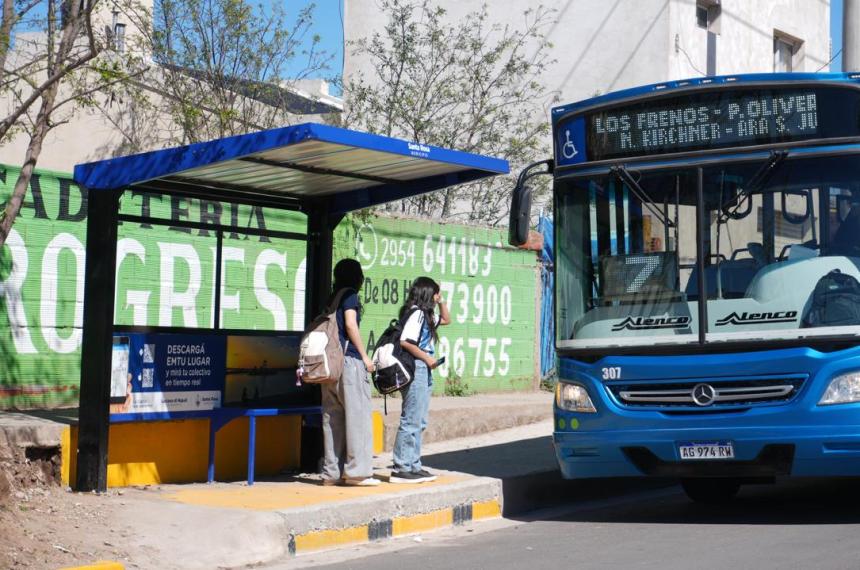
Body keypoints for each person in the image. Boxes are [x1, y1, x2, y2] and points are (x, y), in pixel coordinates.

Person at [320, 258, 379, 487]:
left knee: (332, 419)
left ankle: (331, 473)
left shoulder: (331, 298)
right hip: (349, 362)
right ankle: (358, 473)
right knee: (358, 417)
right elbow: (351, 325)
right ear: (357, 276)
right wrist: (365, 357)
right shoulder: (350, 295)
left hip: (330, 366)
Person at [390, 277, 451, 484]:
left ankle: (414, 465)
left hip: (424, 368)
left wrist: (442, 300)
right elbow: (405, 341)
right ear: (427, 293)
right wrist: (427, 359)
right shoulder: (416, 313)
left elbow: (446, 319)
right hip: (417, 366)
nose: (436, 296)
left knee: (420, 420)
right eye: (435, 293)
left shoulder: (425, 315)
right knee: (411, 419)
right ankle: (401, 468)